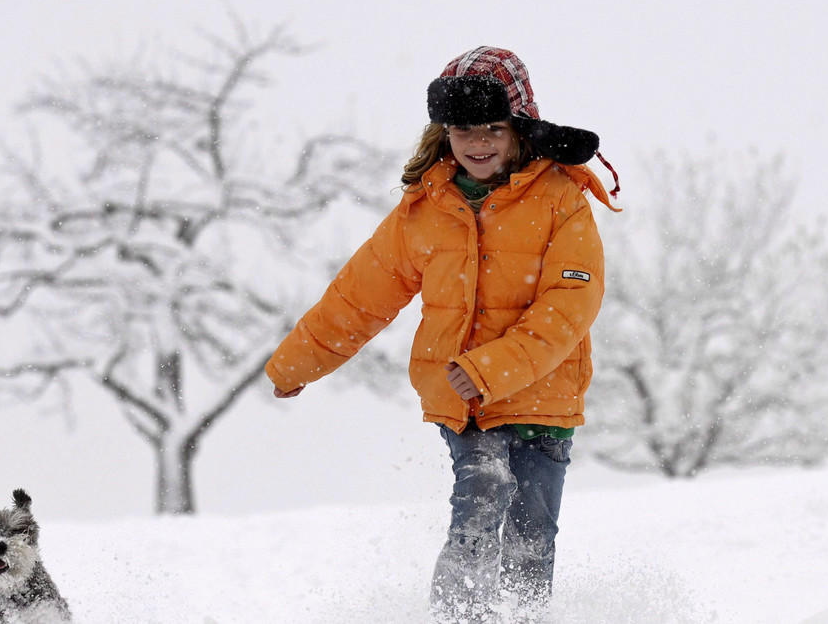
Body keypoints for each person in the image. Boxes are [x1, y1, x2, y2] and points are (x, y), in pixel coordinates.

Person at [265, 47, 619, 622]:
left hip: (543, 398)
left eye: (493, 130)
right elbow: (360, 296)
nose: (478, 144)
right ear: (443, 133)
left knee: (532, 532)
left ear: (521, 129)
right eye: (462, 131)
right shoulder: (426, 210)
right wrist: (297, 364)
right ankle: (459, 618)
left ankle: (528, 617)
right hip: (467, 403)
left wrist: (492, 367)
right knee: (479, 501)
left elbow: (570, 305)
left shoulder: (561, 201)